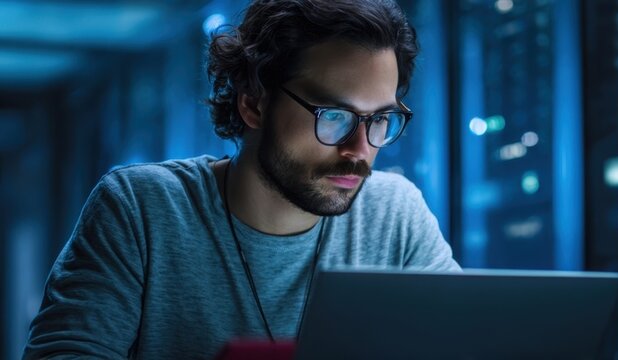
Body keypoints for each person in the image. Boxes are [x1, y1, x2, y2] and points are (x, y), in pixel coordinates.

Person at [25, 0, 460, 358]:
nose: (360, 150)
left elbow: (463, 343)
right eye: (334, 116)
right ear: (253, 104)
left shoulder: (395, 212)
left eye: (380, 119)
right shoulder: (142, 208)